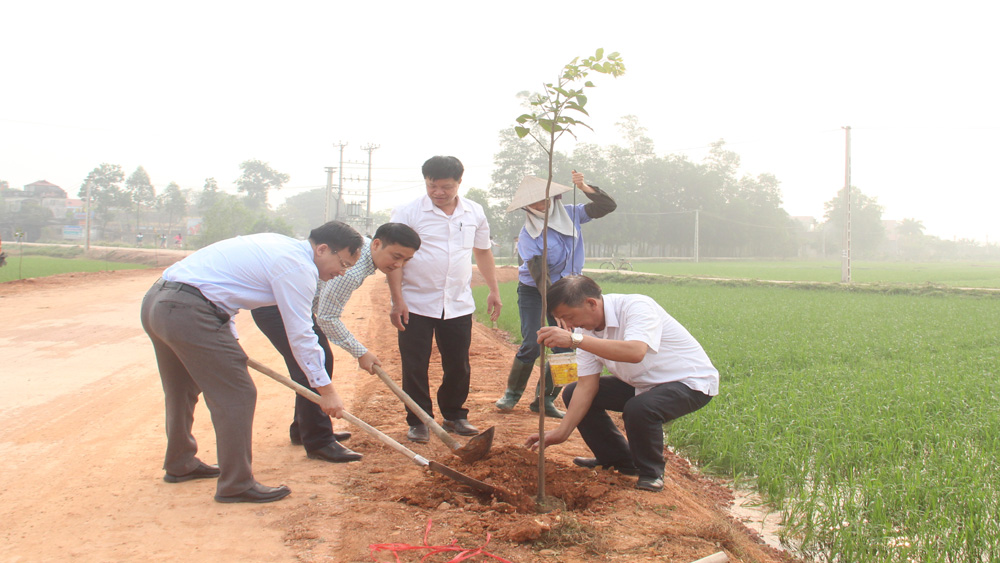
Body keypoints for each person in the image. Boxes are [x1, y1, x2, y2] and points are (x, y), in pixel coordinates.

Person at [140, 221, 364, 504]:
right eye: (342, 263)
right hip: (189, 311)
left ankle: (180, 462)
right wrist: (326, 390)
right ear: (322, 249)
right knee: (238, 394)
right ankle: (236, 483)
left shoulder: (279, 245)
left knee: (181, 389)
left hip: (159, 302)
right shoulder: (299, 267)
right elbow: (302, 334)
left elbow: (223, 292)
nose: (341, 273)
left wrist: (230, 342)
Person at [525, 275, 719, 492]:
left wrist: (574, 340)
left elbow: (636, 351)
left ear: (591, 303)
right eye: (562, 320)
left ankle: (651, 473)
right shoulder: (583, 332)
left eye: (568, 317)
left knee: (639, 408)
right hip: (644, 384)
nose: (568, 326)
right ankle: (619, 460)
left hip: (688, 382)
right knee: (572, 392)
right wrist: (561, 433)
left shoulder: (636, 307)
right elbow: (587, 386)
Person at [251, 223, 420, 462]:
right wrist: (360, 352)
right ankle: (319, 441)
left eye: (406, 260)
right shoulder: (350, 270)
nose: (398, 265)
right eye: (396, 256)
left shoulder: (360, 251)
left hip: (295, 305)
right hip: (276, 309)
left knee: (317, 362)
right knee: (312, 365)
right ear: (376, 244)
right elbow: (328, 318)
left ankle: (304, 428)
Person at [387, 156, 502, 443]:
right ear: (425, 181)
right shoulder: (408, 212)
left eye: (446, 187)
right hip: (415, 302)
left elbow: (483, 251)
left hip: (458, 303)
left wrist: (494, 289)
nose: (439, 192)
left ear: (459, 183)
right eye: (432, 186)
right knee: (415, 364)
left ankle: (455, 415)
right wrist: (397, 299)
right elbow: (393, 259)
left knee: (458, 364)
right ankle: (419, 420)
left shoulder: (474, 212)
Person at [494, 171, 617, 418]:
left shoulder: (572, 214)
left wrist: (583, 186)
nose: (542, 204)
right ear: (526, 207)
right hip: (535, 291)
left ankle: (545, 400)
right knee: (532, 342)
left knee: (567, 345)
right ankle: (511, 394)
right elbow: (541, 276)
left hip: (570, 290)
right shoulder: (529, 235)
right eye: (535, 202)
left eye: (545, 198)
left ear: (554, 196)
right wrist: (555, 309)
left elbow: (607, 206)